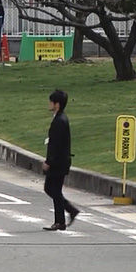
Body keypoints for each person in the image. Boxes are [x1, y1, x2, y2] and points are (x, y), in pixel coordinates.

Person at [42, 89, 79, 231]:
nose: (49, 104)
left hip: (58, 162)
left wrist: (48, 162)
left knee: (53, 189)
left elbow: (55, 144)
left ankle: (64, 217)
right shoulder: (60, 118)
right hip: (60, 161)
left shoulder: (59, 121)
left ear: (56, 104)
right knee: (53, 189)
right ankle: (64, 216)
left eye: (51, 101)